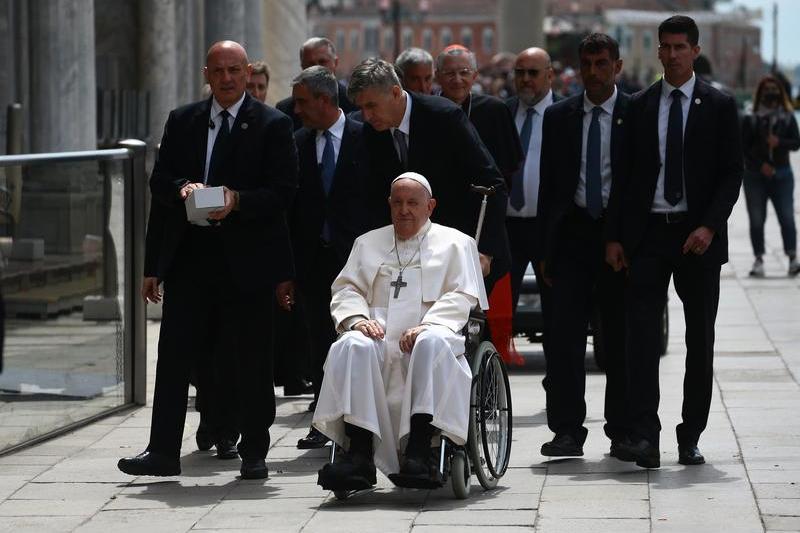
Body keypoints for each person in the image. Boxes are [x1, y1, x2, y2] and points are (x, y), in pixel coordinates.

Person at [117, 40, 298, 480]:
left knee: (251, 357)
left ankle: (255, 449)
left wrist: (238, 201)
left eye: (235, 70)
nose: (228, 78)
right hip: (191, 259)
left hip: (246, 260)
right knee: (176, 357)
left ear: (247, 70)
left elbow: (284, 193)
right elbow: (159, 184)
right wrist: (178, 194)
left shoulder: (272, 124)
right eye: (219, 71)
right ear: (206, 74)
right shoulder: (183, 121)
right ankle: (162, 450)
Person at [607, 16, 743, 468]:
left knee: (700, 338)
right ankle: (646, 434)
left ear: (695, 50)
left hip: (698, 237)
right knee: (641, 338)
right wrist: (616, 237)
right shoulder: (640, 105)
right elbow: (622, 179)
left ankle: (691, 433)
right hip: (649, 235)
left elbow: (731, 174)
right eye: (664, 47)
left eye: (679, 47)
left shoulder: (720, 105)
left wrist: (708, 226)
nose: (670, 54)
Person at [314, 173, 488, 490]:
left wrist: (429, 323)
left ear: (430, 206)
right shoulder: (367, 243)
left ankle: (420, 450)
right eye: (398, 202)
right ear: (389, 205)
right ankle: (359, 453)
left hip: (435, 328)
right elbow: (347, 290)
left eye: (412, 203)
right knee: (352, 344)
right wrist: (357, 319)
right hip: (379, 335)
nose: (404, 210)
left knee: (430, 343)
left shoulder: (456, 243)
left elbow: (463, 294)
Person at [537, 33, 629, 458]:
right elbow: (550, 188)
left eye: (602, 64)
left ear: (617, 66)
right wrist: (545, 251)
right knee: (563, 341)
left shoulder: (636, 113)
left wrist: (625, 237)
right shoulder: (559, 117)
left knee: (621, 338)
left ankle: (623, 429)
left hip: (619, 238)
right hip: (571, 236)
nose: (594, 72)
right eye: (587, 64)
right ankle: (567, 430)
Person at [348, 58, 508, 282]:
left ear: (395, 92)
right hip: (405, 258)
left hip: (459, 250)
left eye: (371, 106)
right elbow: (374, 195)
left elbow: (492, 182)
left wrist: (485, 252)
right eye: (361, 108)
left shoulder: (444, 117)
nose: (365, 116)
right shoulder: (370, 131)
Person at [285, 66, 373, 450]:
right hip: (313, 262)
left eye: (304, 101)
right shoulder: (297, 143)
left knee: (359, 338)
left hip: (359, 260)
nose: (298, 109)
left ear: (324, 100)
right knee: (320, 342)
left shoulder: (366, 136)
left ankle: (361, 421)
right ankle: (323, 422)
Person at [142, 200, 239, 458]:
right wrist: (152, 267)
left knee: (226, 346)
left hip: (235, 252)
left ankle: (227, 427)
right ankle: (208, 415)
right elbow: (161, 193)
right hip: (187, 252)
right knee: (190, 351)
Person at [504, 47, 557, 312]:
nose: (525, 79)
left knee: (556, 313)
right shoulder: (502, 112)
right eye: (520, 73)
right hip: (507, 229)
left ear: (550, 76)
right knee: (500, 310)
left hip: (547, 228)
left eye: (533, 73)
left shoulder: (565, 113)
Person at [741, 75, 800, 277]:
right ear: (760, 92)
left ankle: (792, 257)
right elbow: (743, 148)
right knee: (757, 219)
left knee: (787, 217)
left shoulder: (787, 116)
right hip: (755, 176)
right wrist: (760, 165)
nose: (771, 93)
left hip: (782, 174)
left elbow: (796, 142)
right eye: (767, 89)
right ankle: (758, 259)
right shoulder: (751, 116)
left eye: (775, 89)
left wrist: (780, 142)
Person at [276, 37, 358, 130]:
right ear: (302, 67)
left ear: (335, 62)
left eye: (322, 62)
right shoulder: (286, 110)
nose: (317, 68)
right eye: (310, 64)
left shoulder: (355, 102)